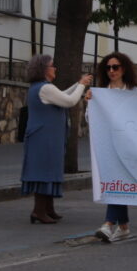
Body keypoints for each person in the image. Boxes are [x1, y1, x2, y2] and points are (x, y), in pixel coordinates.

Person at [22, 54, 92, 225]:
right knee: (44, 171)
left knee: (49, 169)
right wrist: (81, 86)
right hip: (44, 137)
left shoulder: (41, 87)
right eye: (52, 66)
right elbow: (69, 101)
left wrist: (78, 83)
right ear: (44, 69)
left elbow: (61, 95)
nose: (55, 68)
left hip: (44, 136)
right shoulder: (45, 88)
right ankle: (39, 211)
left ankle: (47, 209)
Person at [88, 52, 137, 242]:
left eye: (115, 67)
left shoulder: (134, 92)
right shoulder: (100, 93)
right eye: (108, 68)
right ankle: (122, 225)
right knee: (115, 183)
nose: (111, 71)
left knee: (118, 182)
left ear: (123, 69)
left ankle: (110, 223)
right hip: (107, 146)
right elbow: (90, 119)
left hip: (127, 146)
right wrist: (91, 103)